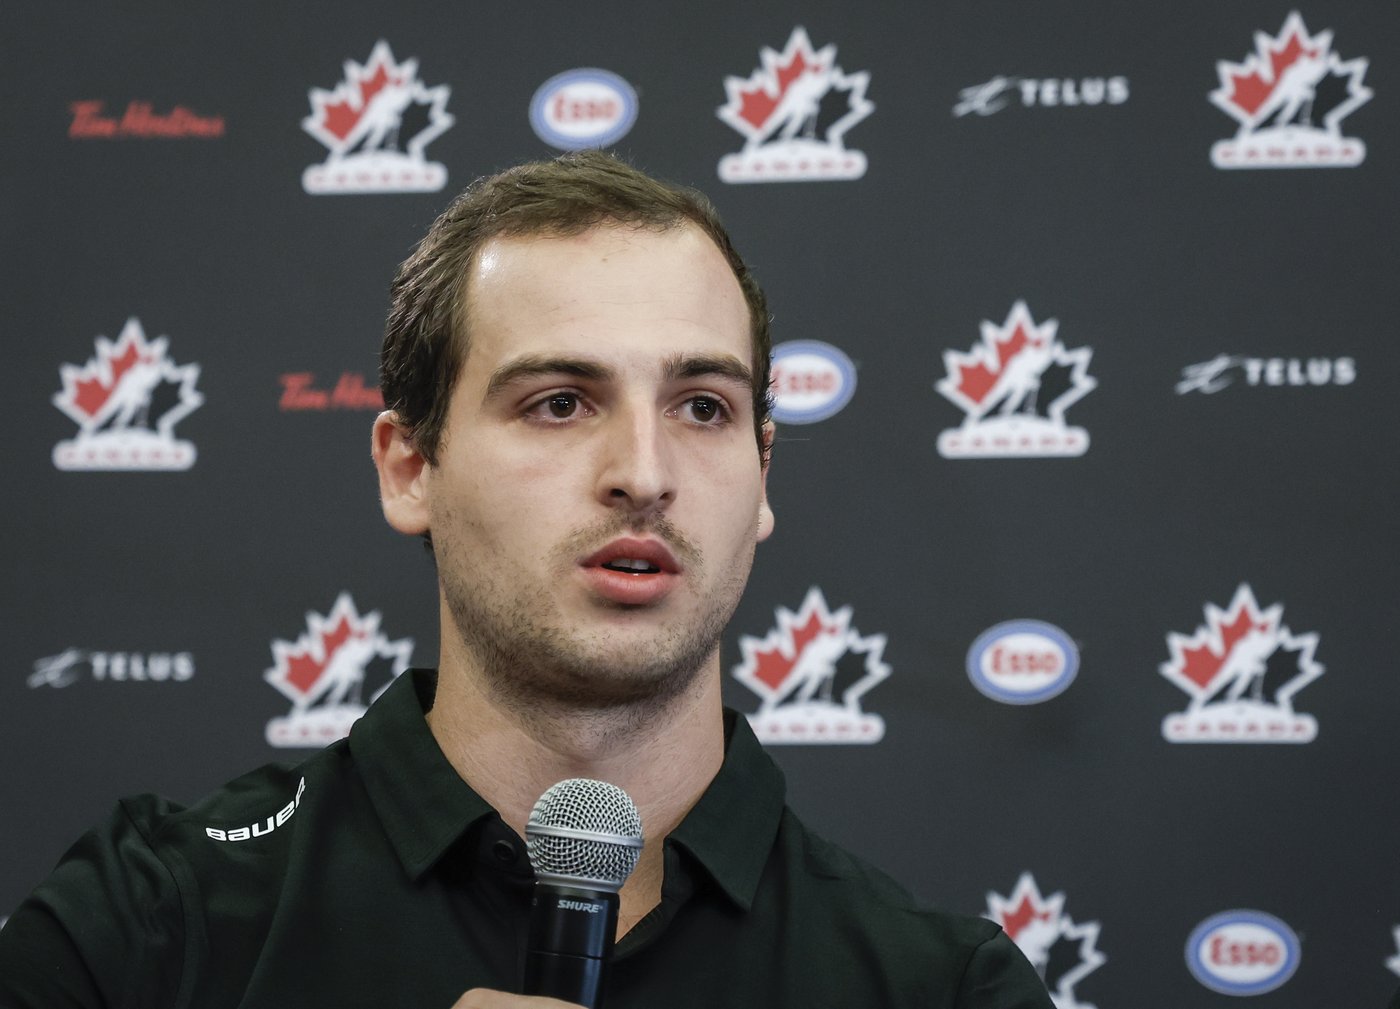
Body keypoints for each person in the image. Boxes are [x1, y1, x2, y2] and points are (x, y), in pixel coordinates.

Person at [0, 152, 1053, 1008]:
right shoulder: (146, 928)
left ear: (762, 474)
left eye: (701, 407)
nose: (643, 474)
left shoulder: (943, 988)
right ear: (411, 467)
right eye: (559, 403)